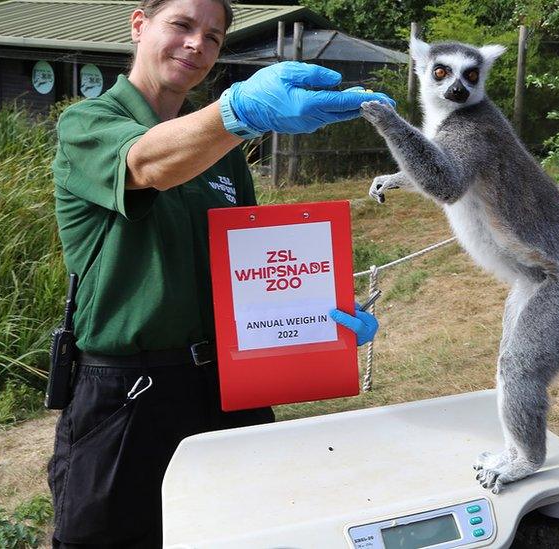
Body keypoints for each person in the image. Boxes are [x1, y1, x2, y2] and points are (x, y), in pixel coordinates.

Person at [47, 0, 394, 546]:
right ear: (140, 26)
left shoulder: (225, 151)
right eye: (181, 26)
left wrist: (309, 319)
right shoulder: (87, 124)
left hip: (228, 387)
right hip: (127, 395)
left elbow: (246, 268)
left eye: (213, 37)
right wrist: (238, 113)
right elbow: (147, 165)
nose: (197, 46)